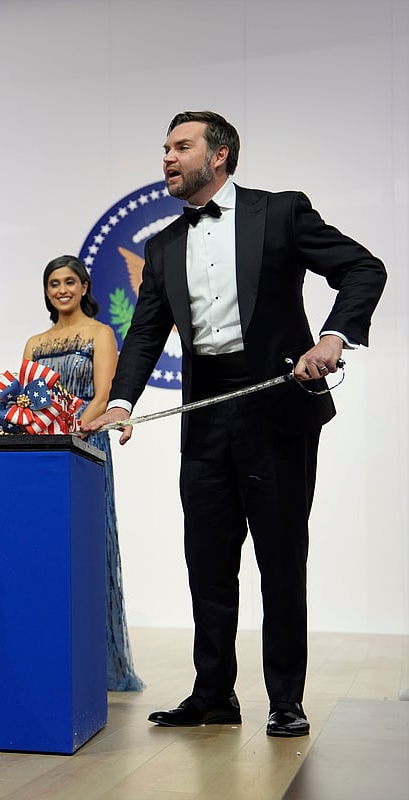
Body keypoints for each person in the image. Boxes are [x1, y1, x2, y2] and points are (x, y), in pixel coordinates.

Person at [83, 111, 386, 738]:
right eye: (164, 148)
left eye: (180, 146)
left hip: (278, 399)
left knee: (280, 557)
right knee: (208, 560)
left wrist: (333, 336)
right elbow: (145, 334)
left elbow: (364, 267)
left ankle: (285, 699)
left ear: (218, 156)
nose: (166, 157)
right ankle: (214, 694)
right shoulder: (164, 244)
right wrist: (121, 401)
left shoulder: (279, 212)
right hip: (207, 409)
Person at [23, 255, 143, 692]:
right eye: (54, 282)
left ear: (86, 286)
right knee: (46, 548)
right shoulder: (34, 342)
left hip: (85, 445)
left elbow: (104, 393)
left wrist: (69, 430)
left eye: (70, 281)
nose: (62, 289)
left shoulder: (100, 333)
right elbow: (24, 398)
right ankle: (48, 653)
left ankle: (96, 660)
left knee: (89, 549)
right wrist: (44, 433)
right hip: (42, 451)